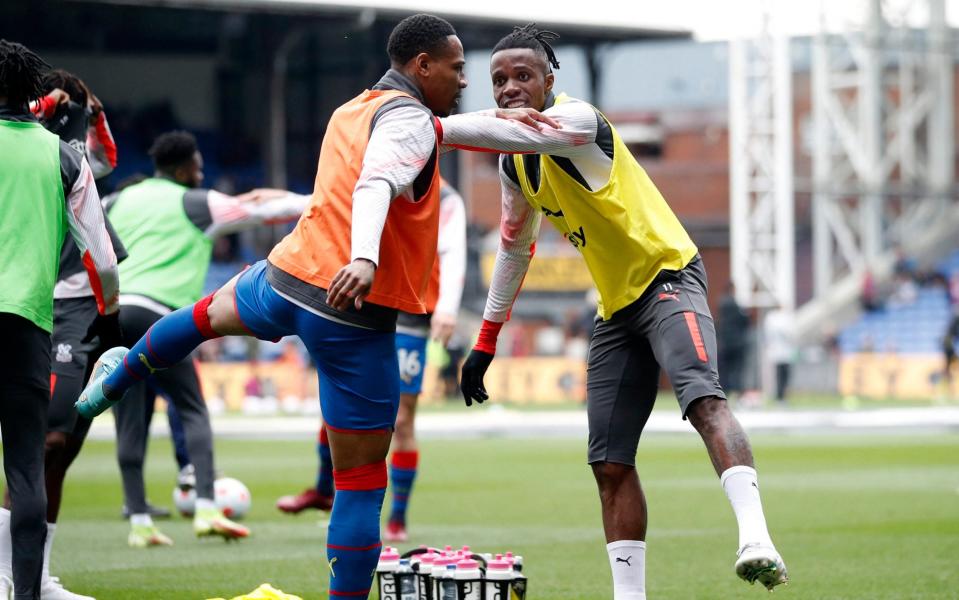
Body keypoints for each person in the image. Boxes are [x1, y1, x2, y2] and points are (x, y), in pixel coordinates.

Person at [75, 13, 584, 598]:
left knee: (201, 318)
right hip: (349, 311)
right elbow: (374, 183)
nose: (464, 80)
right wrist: (364, 258)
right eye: (457, 68)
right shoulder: (414, 122)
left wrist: (502, 119)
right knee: (362, 484)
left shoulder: (352, 109)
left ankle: (122, 371)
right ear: (423, 66)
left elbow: (371, 169)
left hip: (282, 279)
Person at [458, 25, 788, 598]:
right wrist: (485, 341)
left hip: (668, 280)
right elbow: (514, 250)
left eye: (523, 76)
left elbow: (528, 138)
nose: (510, 88)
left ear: (550, 80)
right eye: (499, 80)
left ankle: (756, 538)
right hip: (616, 310)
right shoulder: (516, 166)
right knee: (608, 462)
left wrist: (431, 129)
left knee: (704, 402)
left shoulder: (580, 121)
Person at [102, 129, 308, 548]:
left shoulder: (117, 199)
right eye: (197, 164)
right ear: (183, 168)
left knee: (131, 414)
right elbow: (266, 210)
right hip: (161, 314)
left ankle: (139, 520)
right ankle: (208, 509)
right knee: (192, 408)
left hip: (117, 312)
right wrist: (317, 202)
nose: (201, 170)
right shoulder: (196, 202)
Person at [275, 179, 468, 547]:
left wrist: (447, 307)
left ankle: (397, 517)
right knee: (336, 402)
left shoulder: (445, 196)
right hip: (364, 301)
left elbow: (453, 251)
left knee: (402, 418)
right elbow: (327, 201)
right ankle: (323, 491)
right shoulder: (378, 172)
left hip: (410, 310)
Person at [0, 40, 120, 600]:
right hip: (26, 325)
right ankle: (26, 592)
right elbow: (101, 258)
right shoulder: (64, 156)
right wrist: (111, 322)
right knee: (27, 469)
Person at [717, 282, 751, 399]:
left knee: (724, 370)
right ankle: (738, 393)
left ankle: (724, 392)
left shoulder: (721, 303)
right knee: (737, 369)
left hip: (725, 342)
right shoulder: (736, 305)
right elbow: (745, 321)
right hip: (737, 342)